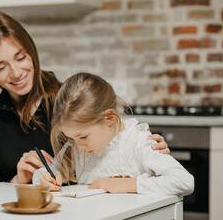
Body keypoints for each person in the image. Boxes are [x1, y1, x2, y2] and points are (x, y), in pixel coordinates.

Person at [0, 11, 170, 184]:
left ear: (31, 51)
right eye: (0, 67)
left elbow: (115, 143)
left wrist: (145, 148)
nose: (16, 72)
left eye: (21, 57)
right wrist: (18, 180)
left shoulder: (68, 102)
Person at [33, 72, 194, 196]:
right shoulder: (77, 147)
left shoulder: (137, 140)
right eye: (71, 138)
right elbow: (48, 171)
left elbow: (184, 181)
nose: (78, 145)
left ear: (109, 118)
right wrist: (43, 178)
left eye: (83, 136)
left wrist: (128, 185)